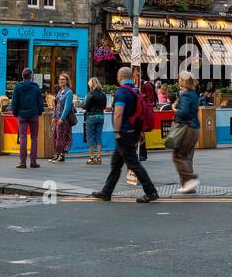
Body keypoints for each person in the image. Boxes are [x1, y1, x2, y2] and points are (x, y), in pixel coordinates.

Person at [92, 67, 159, 202]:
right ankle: (107, 192)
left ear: (120, 77)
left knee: (133, 164)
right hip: (132, 131)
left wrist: (116, 131)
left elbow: (118, 113)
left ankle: (151, 191)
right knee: (115, 164)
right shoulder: (135, 91)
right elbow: (138, 113)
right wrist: (139, 132)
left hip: (124, 132)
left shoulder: (122, 92)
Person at [171, 72, 202, 194]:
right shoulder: (194, 94)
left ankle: (190, 180)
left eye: (179, 79)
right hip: (194, 127)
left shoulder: (185, 95)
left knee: (178, 156)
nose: (178, 80)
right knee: (187, 157)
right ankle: (188, 186)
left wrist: (174, 109)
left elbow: (183, 112)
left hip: (186, 128)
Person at [10, 68, 43, 168]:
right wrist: (40, 111)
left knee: (23, 137)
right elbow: (40, 101)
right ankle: (33, 161)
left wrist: (15, 113)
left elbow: (14, 102)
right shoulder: (35, 86)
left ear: (22, 76)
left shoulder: (17, 87)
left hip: (22, 115)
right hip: (33, 114)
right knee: (34, 138)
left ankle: (22, 162)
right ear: (31, 76)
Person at [49, 72, 75, 163]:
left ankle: (61, 155)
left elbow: (67, 108)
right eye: (60, 79)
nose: (61, 81)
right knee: (56, 136)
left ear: (67, 81)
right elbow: (56, 106)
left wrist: (62, 118)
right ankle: (56, 154)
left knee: (62, 137)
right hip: (57, 118)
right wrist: (54, 116)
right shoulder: (60, 92)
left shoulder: (69, 92)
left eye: (63, 79)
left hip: (63, 119)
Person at [83, 77, 107, 165]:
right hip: (101, 116)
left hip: (92, 116)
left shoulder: (91, 94)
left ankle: (91, 157)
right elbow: (104, 107)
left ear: (91, 84)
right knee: (98, 136)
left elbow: (86, 106)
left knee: (90, 137)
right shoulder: (103, 94)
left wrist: (83, 106)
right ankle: (99, 157)